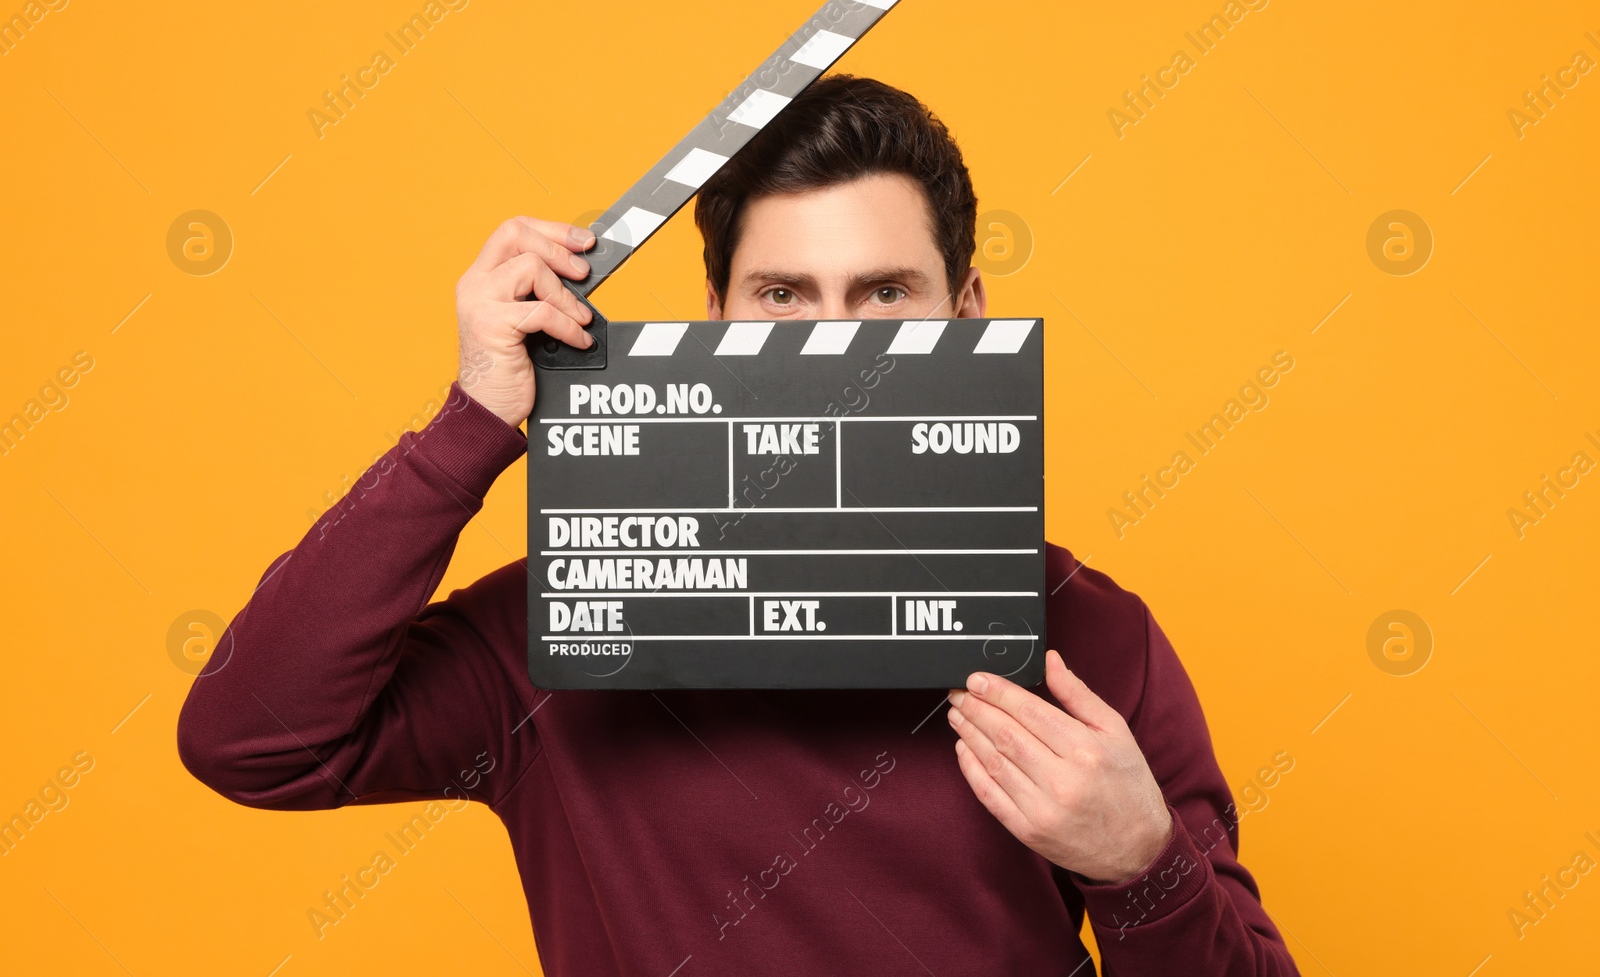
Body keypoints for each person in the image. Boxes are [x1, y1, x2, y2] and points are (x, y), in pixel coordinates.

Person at [178, 75, 1300, 975]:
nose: (833, 344)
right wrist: (472, 420)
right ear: (714, 316)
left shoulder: (1090, 639)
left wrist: (1140, 864)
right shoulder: (570, 618)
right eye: (782, 296)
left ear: (965, 312)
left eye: (882, 294)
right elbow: (253, 739)